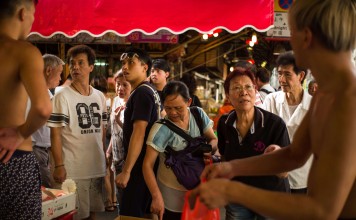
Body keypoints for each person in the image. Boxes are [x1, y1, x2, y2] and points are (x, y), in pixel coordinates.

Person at [190, 0, 356, 219]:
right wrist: (232, 169)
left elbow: (323, 210)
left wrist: (232, 190)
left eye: (292, 32)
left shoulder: (347, 100)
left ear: (305, 37)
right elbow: (294, 155)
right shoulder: (326, 93)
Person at [0, 0, 52, 219]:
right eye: (33, 14)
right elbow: (42, 108)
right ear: (23, 13)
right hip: (12, 159)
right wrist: (20, 132)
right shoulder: (24, 52)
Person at [216, 69, 290, 219]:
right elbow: (224, 157)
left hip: (270, 197)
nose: (244, 92)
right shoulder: (224, 123)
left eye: (248, 87)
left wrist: (276, 157)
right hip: (237, 197)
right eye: (236, 88)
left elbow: (284, 172)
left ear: (255, 92)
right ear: (228, 96)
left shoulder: (274, 124)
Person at [48, 45, 108, 219]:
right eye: (72, 63)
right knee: (73, 216)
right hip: (72, 170)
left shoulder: (99, 96)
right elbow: (55, 133)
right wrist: (59, 165)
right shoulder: (62, 95)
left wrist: (103, 158)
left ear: (91, 66)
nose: (75, 67)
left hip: (96, 167)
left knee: (93, 213)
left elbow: (102, 131)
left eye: (81, 63)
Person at [143, 81, 218, 220]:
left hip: (199, 186)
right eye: (168, 108)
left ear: (188, 101)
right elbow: (147, 165)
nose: (173, 113)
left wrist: (209, 149)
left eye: (178, 108)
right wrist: (156, 196)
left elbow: (213, 139)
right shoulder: (160, 129)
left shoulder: (198, 114)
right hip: (171, 191)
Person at [115, 47, 161, 217]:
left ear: (145, 67)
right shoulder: (151, 91)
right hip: (147, 166)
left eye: (131, 63)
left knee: (131, 215)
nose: (125, 67)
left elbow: (139, 132)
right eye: (123, 63)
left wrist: (126, 171)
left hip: (139, 168)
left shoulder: (142, 93)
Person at [263, 51, 313, 194]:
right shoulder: (271, 100)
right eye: (279, 74)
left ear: (301, 76)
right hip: (274, 177)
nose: (281, 79)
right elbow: (264, 134)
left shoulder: (314, 106)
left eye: (287, 74)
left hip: (302, 179)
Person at [31, 54, 64, 188]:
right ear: (49, 70)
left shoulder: (47, 93)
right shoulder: (33, 92)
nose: (61, 78)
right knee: (43, 190)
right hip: (35, 150)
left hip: (44, 150)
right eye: (60, 73)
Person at [106, 70, 131, 214]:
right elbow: (114, 132)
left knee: (127, 198)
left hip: (127, 158)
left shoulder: (133, 104)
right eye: (118, 84)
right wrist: (108, 151)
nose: (120, 88)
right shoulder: (116, 100)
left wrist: (118, 121)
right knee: (120, 196)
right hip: (116, 156)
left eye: (124, 85)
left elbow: (133, 133)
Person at [91, 74, 117, 212]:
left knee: (104, 170)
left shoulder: (96, 99)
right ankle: (112, 199)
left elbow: (102, 124)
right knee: (108, 170)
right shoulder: (109, 100)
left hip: (102, 138)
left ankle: (108, 201)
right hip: (110, 137)